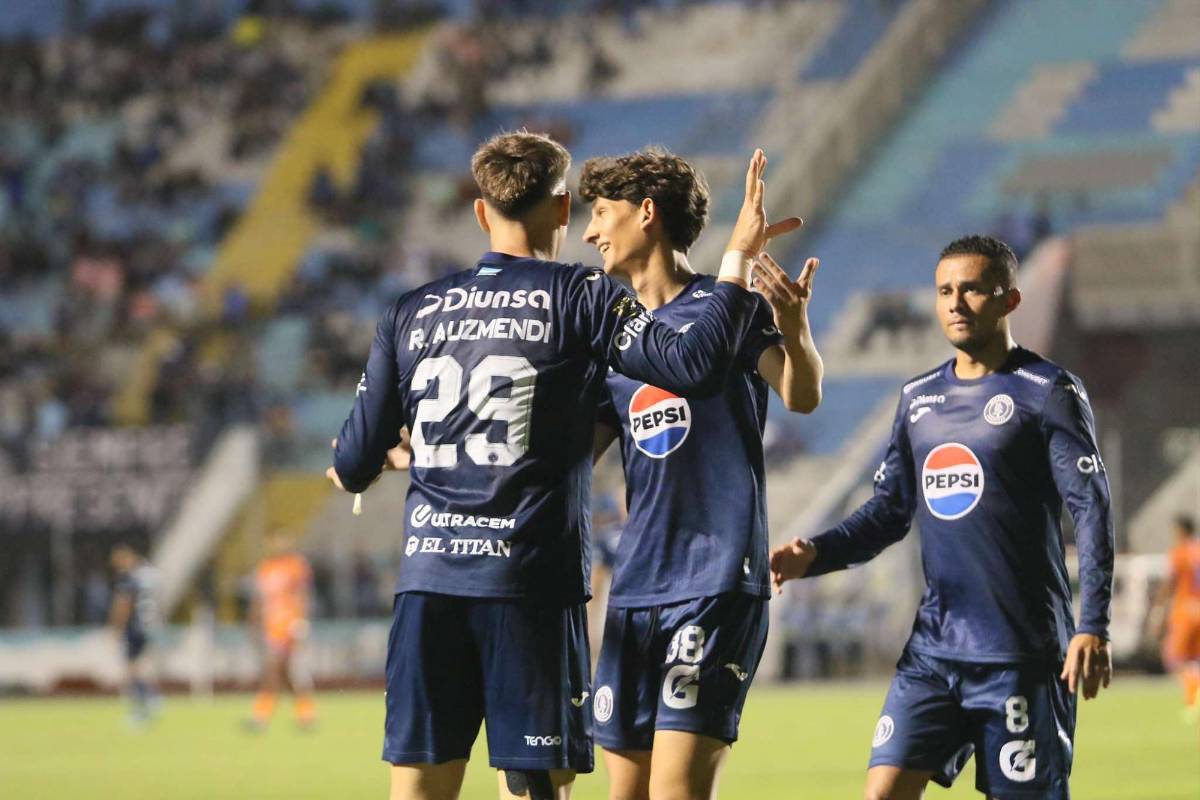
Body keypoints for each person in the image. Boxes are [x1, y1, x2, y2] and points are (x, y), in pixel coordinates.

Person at [326, 132, 800, 800]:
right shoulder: (579, 296)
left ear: (481, 213)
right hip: (528, 581)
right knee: (533, 788)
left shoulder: (412, 309)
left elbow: (351, 459)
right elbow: (690, 367)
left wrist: (405, 456)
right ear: (559, 209)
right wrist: (738, 259)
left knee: (420, 789)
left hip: (428, 580)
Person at [770, 235, 1115, 799]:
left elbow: (1091, 507)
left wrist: (1092, 625)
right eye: (945, 291)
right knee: (881, 793)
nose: (955, 303)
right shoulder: (918, 399)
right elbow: (888, 512)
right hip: (934, 651)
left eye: (973, 289)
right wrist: (818, 553)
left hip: (1020, 655)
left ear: (1010, 300)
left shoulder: (1048, 393)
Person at [581, 148, 823, 800]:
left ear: (647, 214)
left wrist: (795, 333)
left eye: (602, 213)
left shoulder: (730, 306)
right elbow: (575, 455)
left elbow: (799, 395)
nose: (590, 230)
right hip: (636, 589)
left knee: (676, 791)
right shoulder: (615, 338)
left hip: (715, 580)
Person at [245, 527, 317, 731]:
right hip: (271, 627)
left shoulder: (296, 565)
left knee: (273, 669)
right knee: (286, 674)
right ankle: (306, 713)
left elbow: (303, 594)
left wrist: (302, 621)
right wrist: (252, 622)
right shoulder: (265, 568)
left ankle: (261, 716)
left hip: (289, 625)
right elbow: (259, 599)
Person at [1150, 514, 1200, 722]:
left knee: (1174, 659)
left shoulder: (1178, 553)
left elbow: (1168, 583)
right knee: (1195, 660)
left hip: (1184, 611)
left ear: (1180, 530)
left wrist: (1157, 611)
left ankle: (1192, 699)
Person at [109, 543, 161, 727]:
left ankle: (142, 706)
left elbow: (123, 604)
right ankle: (150, 697)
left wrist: (116, 628)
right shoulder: (146, 574)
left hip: (134, 627)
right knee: (136, 667)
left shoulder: (128, 578)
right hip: (147, 627)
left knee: (130, 669)